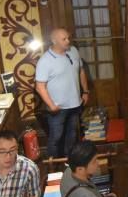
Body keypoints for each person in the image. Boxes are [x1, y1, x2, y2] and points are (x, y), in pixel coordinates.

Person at [35, 27, 89, 158]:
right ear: (54, 41)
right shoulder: (45, 61)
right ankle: (53, 164)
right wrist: (51, 105)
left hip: (75, 104)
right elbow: (39, 86)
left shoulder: (73, 51)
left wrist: (86, 91)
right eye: (64, 39)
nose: (68, 41)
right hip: (57, 108)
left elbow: (81, 71)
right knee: (56, 137)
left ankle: (68, 161)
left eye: (68, 38)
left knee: (72, 135)